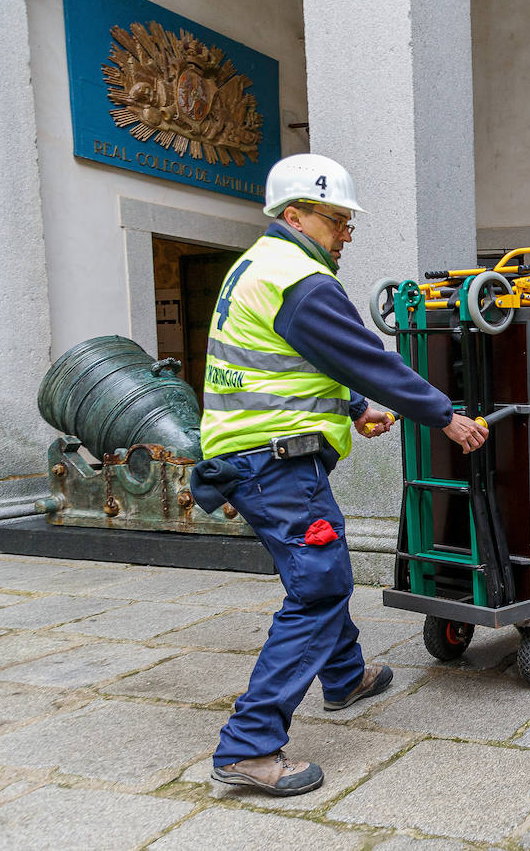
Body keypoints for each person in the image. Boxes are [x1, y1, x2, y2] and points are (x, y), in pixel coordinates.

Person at [193, 153, 489, 796]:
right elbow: (367, 358)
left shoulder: (255, 268)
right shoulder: (302, 279)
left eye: (348, 221)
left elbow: (287, 360)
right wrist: (445, 417)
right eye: (338, 221)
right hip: (275, 464)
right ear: (294, 216)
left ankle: (346, 675)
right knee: (321, 587)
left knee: (322, 570)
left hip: (250, 458)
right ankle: (248, 747)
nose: (347, 234)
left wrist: (352, 409)